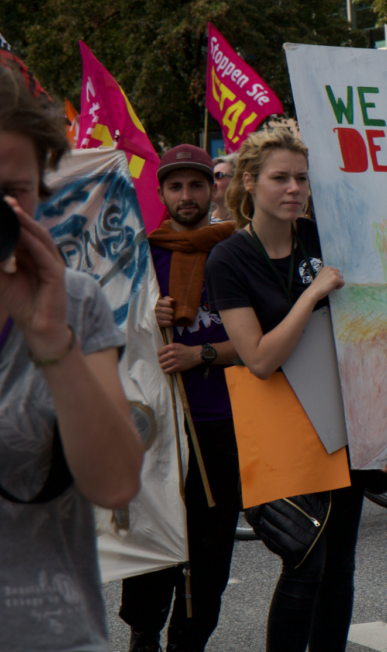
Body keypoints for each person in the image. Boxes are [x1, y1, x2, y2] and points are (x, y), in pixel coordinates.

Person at [205, 128, 387, 652]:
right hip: (282, 430)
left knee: (339, 565)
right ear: (250, 182)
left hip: (341, 421)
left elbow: (366, 336)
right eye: (280, 178)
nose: (294, 188)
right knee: (303, 560)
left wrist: (386, 431)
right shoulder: (229, 259)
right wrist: (312, 293)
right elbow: (260, 359)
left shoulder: (322, 238)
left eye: (303, 179)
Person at [0, 64, 144, 651]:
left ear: (40, 194)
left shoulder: (74, 299)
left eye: (13, 193)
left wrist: (53, 345)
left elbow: (115, 486)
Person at [120, 145, 241, 652]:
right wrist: (151, 316)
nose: (187, 196)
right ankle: (144, 632)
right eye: (176, 186)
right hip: (161, 425)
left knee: (211, 551)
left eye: (196, 185)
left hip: (224, 423)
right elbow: (113, 337)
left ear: (213, 188)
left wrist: (202, 354)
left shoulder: (237, 251)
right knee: (155, 538)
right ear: (162, 193)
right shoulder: (141, 259)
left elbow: (267, 342)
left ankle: (190, 641)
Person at [211, 154, 236, 223]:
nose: (212, 182)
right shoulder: (203, 221)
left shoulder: (251, 222)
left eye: (219, 175)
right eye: (211, 177)